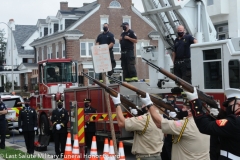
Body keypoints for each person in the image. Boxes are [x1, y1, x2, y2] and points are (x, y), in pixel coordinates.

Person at [140, 93, 210, 160]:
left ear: (190, 111)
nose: (183, 109)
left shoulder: (185, 125)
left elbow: (159, 124)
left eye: (185, 108)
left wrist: (149, 104)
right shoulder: (207, 123)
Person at [184, 87, 240, 159]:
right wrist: (219, 115)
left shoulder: (234, 121)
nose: (227, 108)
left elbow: (204, 126)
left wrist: (194, 101)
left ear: (239, 104)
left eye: (230, 106)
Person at [110, 94, 164, 160]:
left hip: (145, 157)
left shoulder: (145, 119)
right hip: (158, 156)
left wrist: (117, 104)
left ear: (149, 105)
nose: (142, 106)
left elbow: (121, 123)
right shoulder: (161, 118)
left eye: (144, 103)